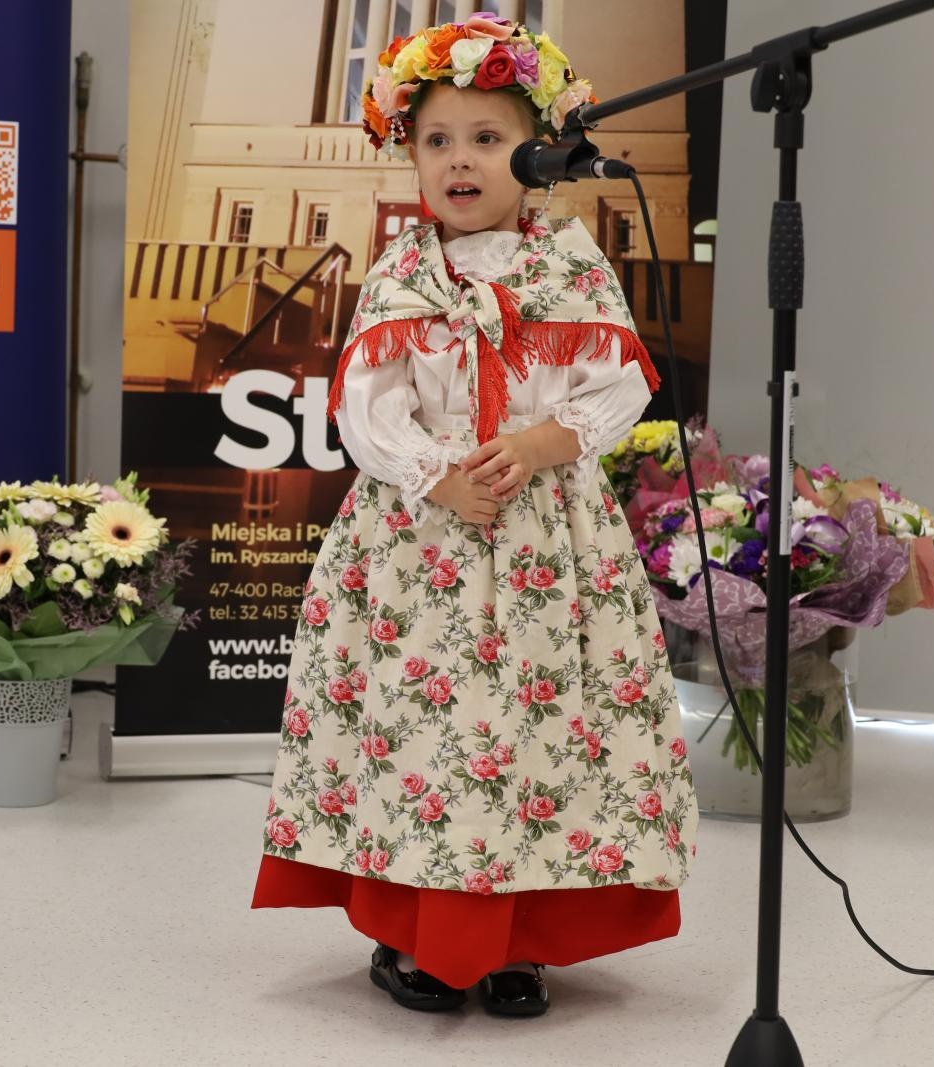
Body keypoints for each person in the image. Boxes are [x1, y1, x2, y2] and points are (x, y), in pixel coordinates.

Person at [250, 12, 698, 1018]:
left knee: (541, 731)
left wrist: (549, 439)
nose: (460, 162)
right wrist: (429, 471)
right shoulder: (404, 274)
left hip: (550, 545)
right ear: (408, 154)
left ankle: (519, 939)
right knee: (425, 731)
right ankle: (420, 931)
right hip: (422, 547)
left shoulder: (571, 263)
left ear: (536, 150)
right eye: (437, 141)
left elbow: (617, 380)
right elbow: (366, 407)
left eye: (487, 140)